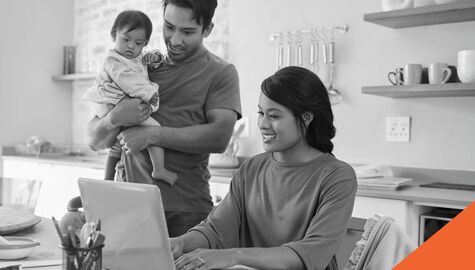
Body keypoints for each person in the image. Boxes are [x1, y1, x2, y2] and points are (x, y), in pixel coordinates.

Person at [170, 66, 357, 270]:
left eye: (274, 116)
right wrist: (180, 243)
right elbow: (216, 230)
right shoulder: (252, 168)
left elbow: (311, 253)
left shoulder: (337, 177)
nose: (263, 124)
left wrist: (235, 256)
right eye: (261, 113)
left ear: (306, 118)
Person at [86, 0, 241, 237]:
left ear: (207, 30)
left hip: (185, 212)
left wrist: (151, 135)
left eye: (187, 32)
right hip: (126, 207)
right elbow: (94, 140)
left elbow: (219, 137)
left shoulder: (220, 73)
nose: (175, 40)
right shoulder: (140, 67)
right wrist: (114, 118)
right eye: (169, 27)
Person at [83, 10, 178, 184]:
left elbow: (143, 64)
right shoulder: (114, 61)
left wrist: (154, 58)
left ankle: (107, 180)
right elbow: (129, 81)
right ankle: (160, 168)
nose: (131, 46)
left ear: (145, 44)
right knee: (154, 128)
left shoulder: (134, 58)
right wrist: (149, 95)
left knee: (117, 144)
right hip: (112, 104)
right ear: (114, 35)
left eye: (138, 43)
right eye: (126, 40)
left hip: (112, 103)